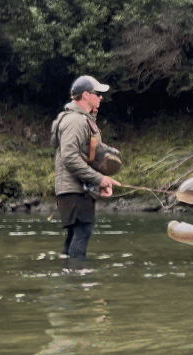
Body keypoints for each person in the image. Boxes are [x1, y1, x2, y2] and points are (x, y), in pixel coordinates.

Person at [51, 75, 121, 269]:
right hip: (74, 191)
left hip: (75, 189)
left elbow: (85, 155)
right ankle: (77, 278)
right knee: (82, 232)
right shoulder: (75, 121)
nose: (101, 97)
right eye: (97, 94)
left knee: (75, 234)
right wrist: (100, 179)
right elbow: (70, 157)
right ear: (86, 95)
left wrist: (99, 182)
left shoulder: (81, 120)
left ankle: (68, 273)